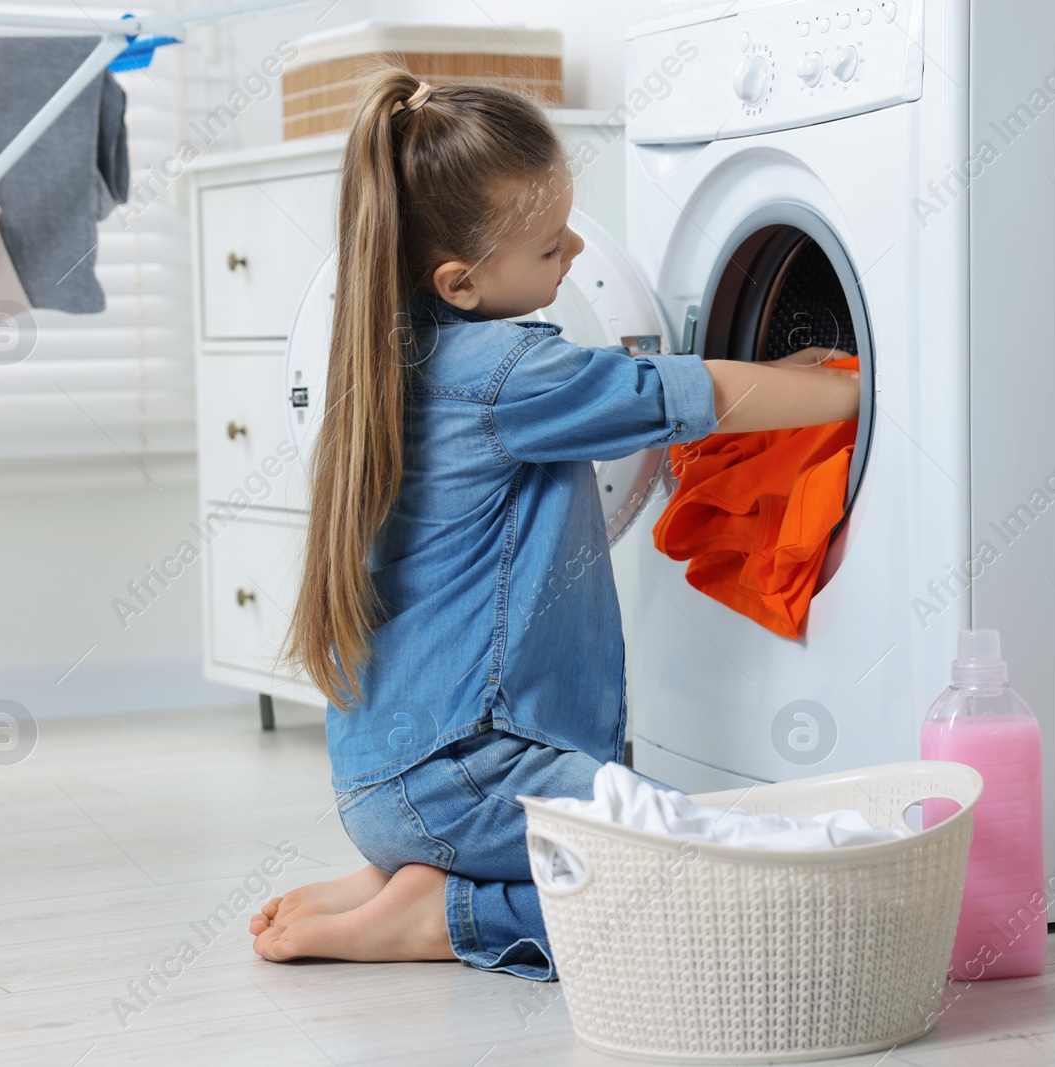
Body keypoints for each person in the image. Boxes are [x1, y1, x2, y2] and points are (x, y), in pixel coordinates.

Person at [248, 67, 860, 979]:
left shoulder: (385, 364)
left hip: (389, 786)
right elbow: (674, 394)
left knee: (693, 857)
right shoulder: (505, 373)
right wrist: (850, 389)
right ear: (458, 281)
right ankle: (441, 913)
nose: (574, 246)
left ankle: (397, 876)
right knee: (718, 871)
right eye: (546, 247)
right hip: (477, 779)